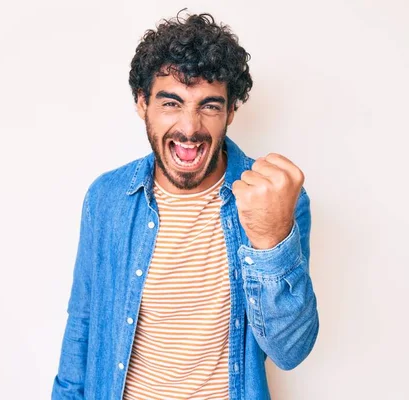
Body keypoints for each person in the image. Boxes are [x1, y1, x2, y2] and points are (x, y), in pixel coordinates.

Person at [51, 10, 319, 400]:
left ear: (231, 111)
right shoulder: (107, 198)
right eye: (171, 103)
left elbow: (290, 350)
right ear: (142, 103)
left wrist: (271, 241)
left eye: (209, 106)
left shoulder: (276, 200)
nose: (190, 128)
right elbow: (83, 325)